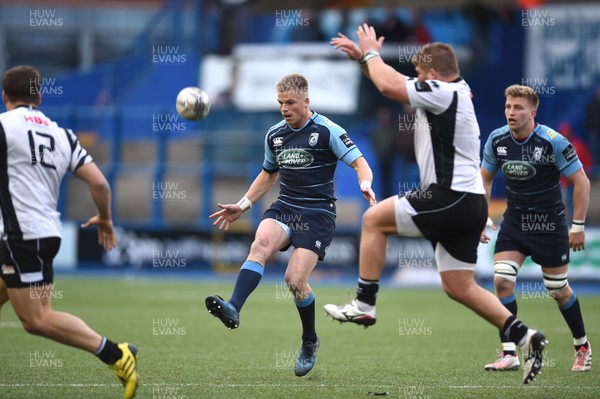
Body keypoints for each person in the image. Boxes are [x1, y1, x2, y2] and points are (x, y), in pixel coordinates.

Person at [325, 24, 547, 384]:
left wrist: (370, 54)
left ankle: (364, 303)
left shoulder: (444, 92)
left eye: (419, 73)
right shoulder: (454, 91)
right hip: (468, 201)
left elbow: (390, 85)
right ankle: (525, 336)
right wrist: (364, 61)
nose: (416, 79)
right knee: (458, 286)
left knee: (373, 220)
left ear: (431, 74)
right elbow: (393, 81)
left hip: (450, 196)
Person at [205, 73, 376, 377]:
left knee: (295, 281)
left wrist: (365, 183)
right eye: (281, 103)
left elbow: (360, 162)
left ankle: (309, 340)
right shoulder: (275, 135)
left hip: (318, 214)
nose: (284, 108)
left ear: (306, 102)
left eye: (291, 103)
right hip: (285, 207)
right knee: (259, 245)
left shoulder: (328, 130)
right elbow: (268, 174)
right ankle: (233, 306)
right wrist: (242, 206)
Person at [0, 66, 139, 399]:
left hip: (22, 236)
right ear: (39, 97)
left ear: (5, 96)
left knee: (37, 320)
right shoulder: (62, 134)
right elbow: (100, 183)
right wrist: (105, 219)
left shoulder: (4, 126)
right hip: (44, 232)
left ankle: (116, 354)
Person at [480, 85, 592, 372]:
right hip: (515, 221)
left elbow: (581, 182)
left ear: (533, 112)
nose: (511, 112)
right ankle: (509, 353)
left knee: (558, 290)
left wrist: (577, 226)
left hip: (549, 224)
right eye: (508, 107)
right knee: (502, 280)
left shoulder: (552, 142)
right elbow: (485, 179)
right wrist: (480, 216)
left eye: (518, 108)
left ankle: (582, 346)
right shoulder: (497, 140)